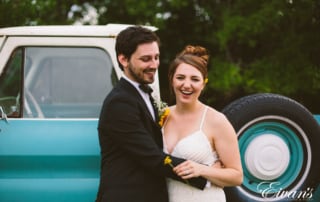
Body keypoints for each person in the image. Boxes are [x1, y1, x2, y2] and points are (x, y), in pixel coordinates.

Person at [96, 26, 207, 202]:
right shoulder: (119, 103)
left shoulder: (145, 95)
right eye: (146, 59)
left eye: (156, 57)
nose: (154, 65)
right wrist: (204, 173)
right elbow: (152, 157)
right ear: (123, 59)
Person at [162, 45, 243, 201]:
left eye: (195, 79)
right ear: (171, 79)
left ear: (203, 84)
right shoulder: (161, 116)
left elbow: (237, 176)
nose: (186, 85)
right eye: (180, 77)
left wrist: (202, 170)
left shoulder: (216, 121)